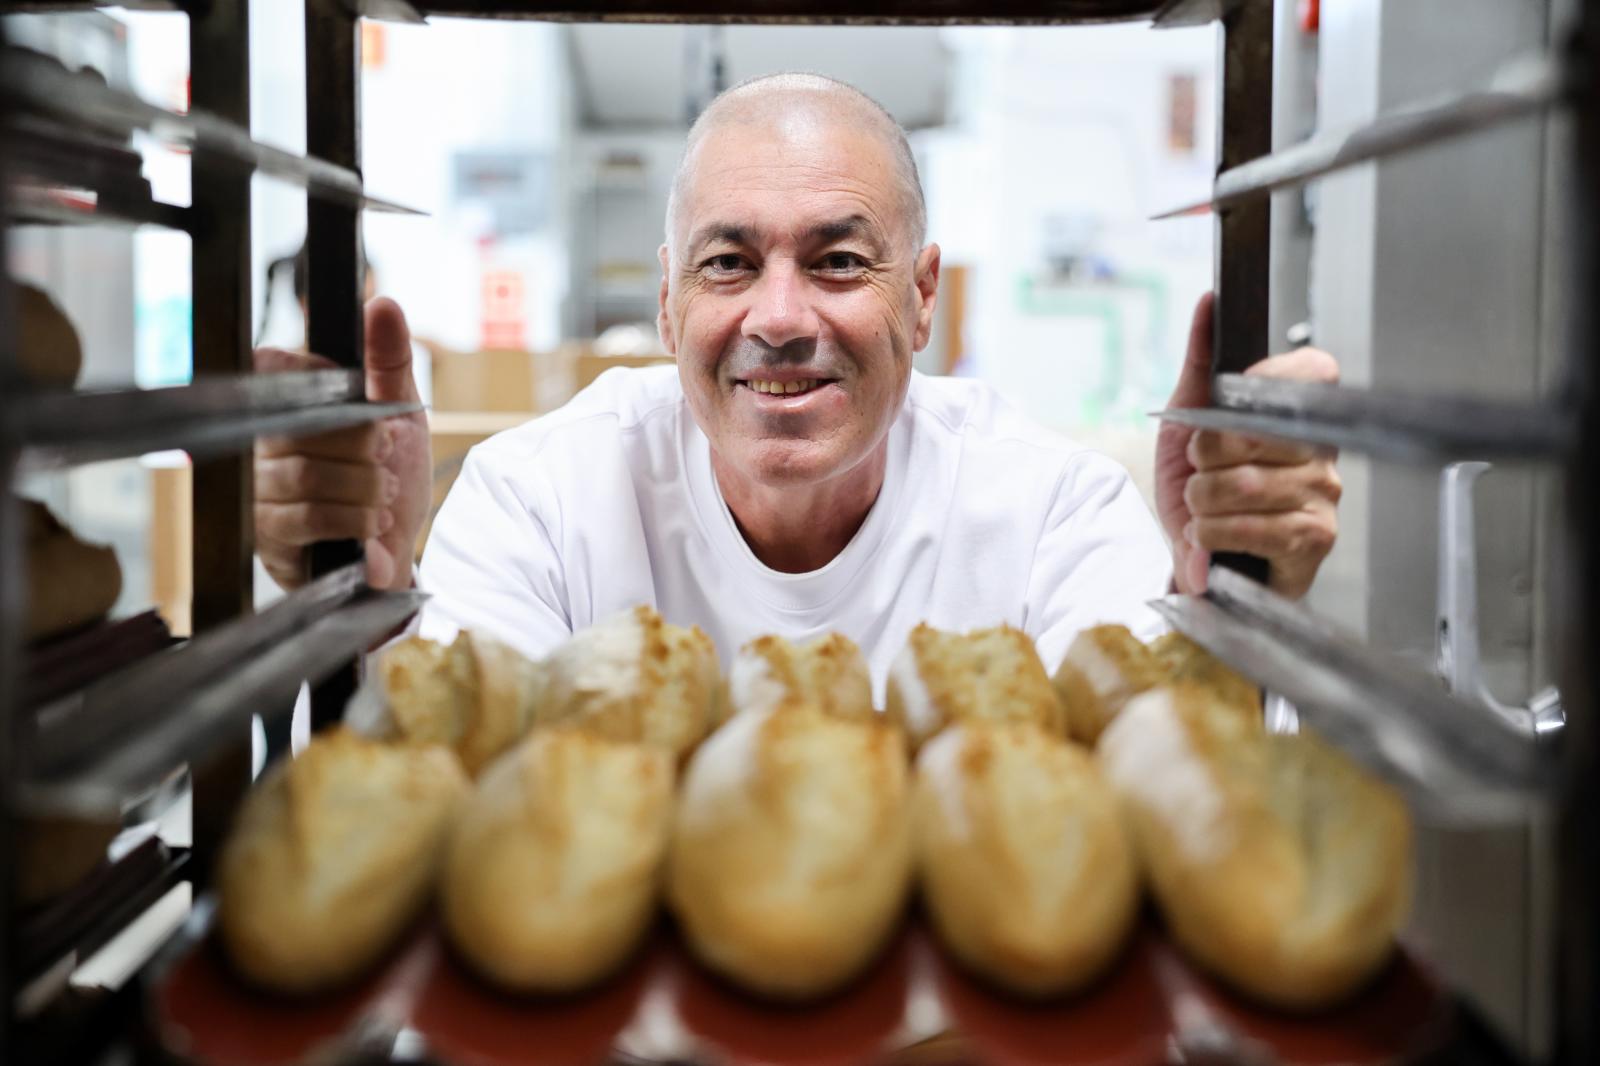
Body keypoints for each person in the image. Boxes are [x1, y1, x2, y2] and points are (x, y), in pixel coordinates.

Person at [253, 73, 1340, 687]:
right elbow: (447, 782)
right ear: (669, 303)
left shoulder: (1050, 506)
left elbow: (1147, 788)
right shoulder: (537, 492)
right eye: (728, 263)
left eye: (836, 260)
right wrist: (368, 610)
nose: (778, 319)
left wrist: (1224, 610)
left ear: (921, 297)